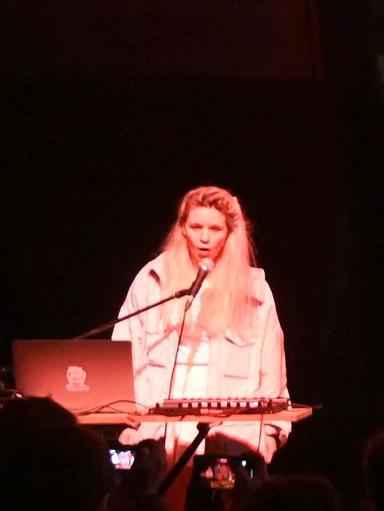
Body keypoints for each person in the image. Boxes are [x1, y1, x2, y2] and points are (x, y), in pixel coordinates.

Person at [114, 185, 288, 462]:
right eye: (196, 227)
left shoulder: (254, 290)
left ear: (229, 232)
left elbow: (272, 368)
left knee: (227, 489)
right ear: (182, 228)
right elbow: (125, 354)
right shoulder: (152, 280)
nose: (204, 238)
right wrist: (128, 423)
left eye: (215, 229)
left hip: (231, 431)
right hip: (160, 426)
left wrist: (271, 432)